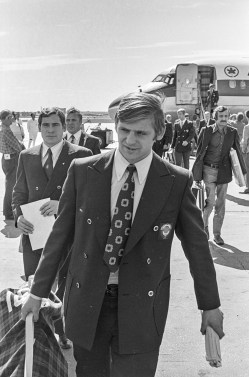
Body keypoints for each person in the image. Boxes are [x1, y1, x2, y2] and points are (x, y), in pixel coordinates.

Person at [21, 93, 224, 377]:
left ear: (159, 132)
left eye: (141, 133)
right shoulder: (83, 171)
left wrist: (210, 305)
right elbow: (60, 237)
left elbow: (197, 248)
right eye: (124, 131)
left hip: (142, 307)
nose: (130, 140)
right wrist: (37, 292)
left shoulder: (176, 181)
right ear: (116, 126)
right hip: (87, 302)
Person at [12, 107, 92, 348]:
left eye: (55, 125)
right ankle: (38, 337)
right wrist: (17, 218)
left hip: (68, 236)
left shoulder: (81, 155)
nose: (50, 130)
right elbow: (18, 194)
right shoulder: (27, 155)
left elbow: (91, 198)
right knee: (34, 286)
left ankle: (62, 330)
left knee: (65, 287)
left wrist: (62, 203)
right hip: (34, 235)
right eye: (45, 125)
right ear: (38, 127)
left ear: (63, 126)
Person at [192, 106, 246, 245]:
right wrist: (196, 176)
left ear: (228, 117)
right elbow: (199, 153)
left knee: (221, 205)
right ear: (216, 117)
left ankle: (217, 235)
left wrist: (242, 174)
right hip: (208, 171)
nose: (223, 119)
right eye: (221, 116)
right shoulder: (206, 131)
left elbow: (238, 152)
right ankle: (204, 229)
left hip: (224, 172)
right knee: (210, 203)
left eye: (226, 116)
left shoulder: (232, 132)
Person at [0, 109, 24, 220]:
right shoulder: (6, 131)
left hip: (7, 159)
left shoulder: (4, 129)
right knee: (11, 187)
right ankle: (8, 212)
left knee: (10, 185)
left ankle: (8, 211)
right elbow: (17, 146)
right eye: (9, 117)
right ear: (4, 119)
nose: (12, 119)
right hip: (12, 160)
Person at [240, 110, 249, 193]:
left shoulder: (247, 127)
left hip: (248, 151)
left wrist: (243, 149)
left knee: (247, 169)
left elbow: (245, 140)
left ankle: (248, 187)